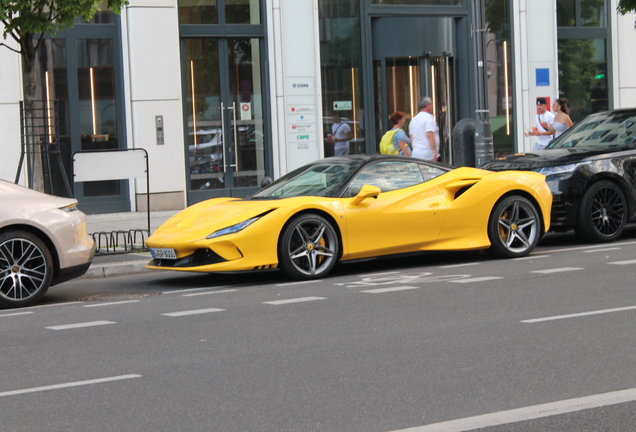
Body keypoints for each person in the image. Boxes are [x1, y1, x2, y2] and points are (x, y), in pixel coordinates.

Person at [409, 97, 439, 161]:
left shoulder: (413, 120)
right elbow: (430, 135)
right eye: (431, 104)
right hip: (427, 154)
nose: (432, 106)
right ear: (427, 105)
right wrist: (434, 152)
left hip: (416, 154)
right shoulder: (428, 117)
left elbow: (412, 138)